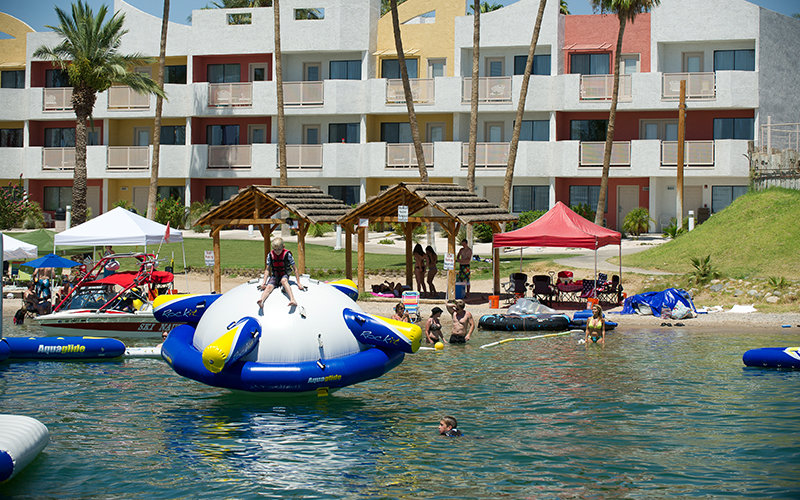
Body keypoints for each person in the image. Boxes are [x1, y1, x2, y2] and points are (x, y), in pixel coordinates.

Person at [257, 238, 305, 309]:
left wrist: (298, 282)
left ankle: (292, 299)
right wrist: (264, 282)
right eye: (275, 249)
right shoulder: (270, 255)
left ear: (283, 246)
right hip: (275, 275)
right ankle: (262, 300)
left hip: (284, 274)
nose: (277, 252)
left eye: (279, 249)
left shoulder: (287, 255)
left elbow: (295, 269)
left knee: (283, 281)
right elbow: (267, 269)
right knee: (269, 287)